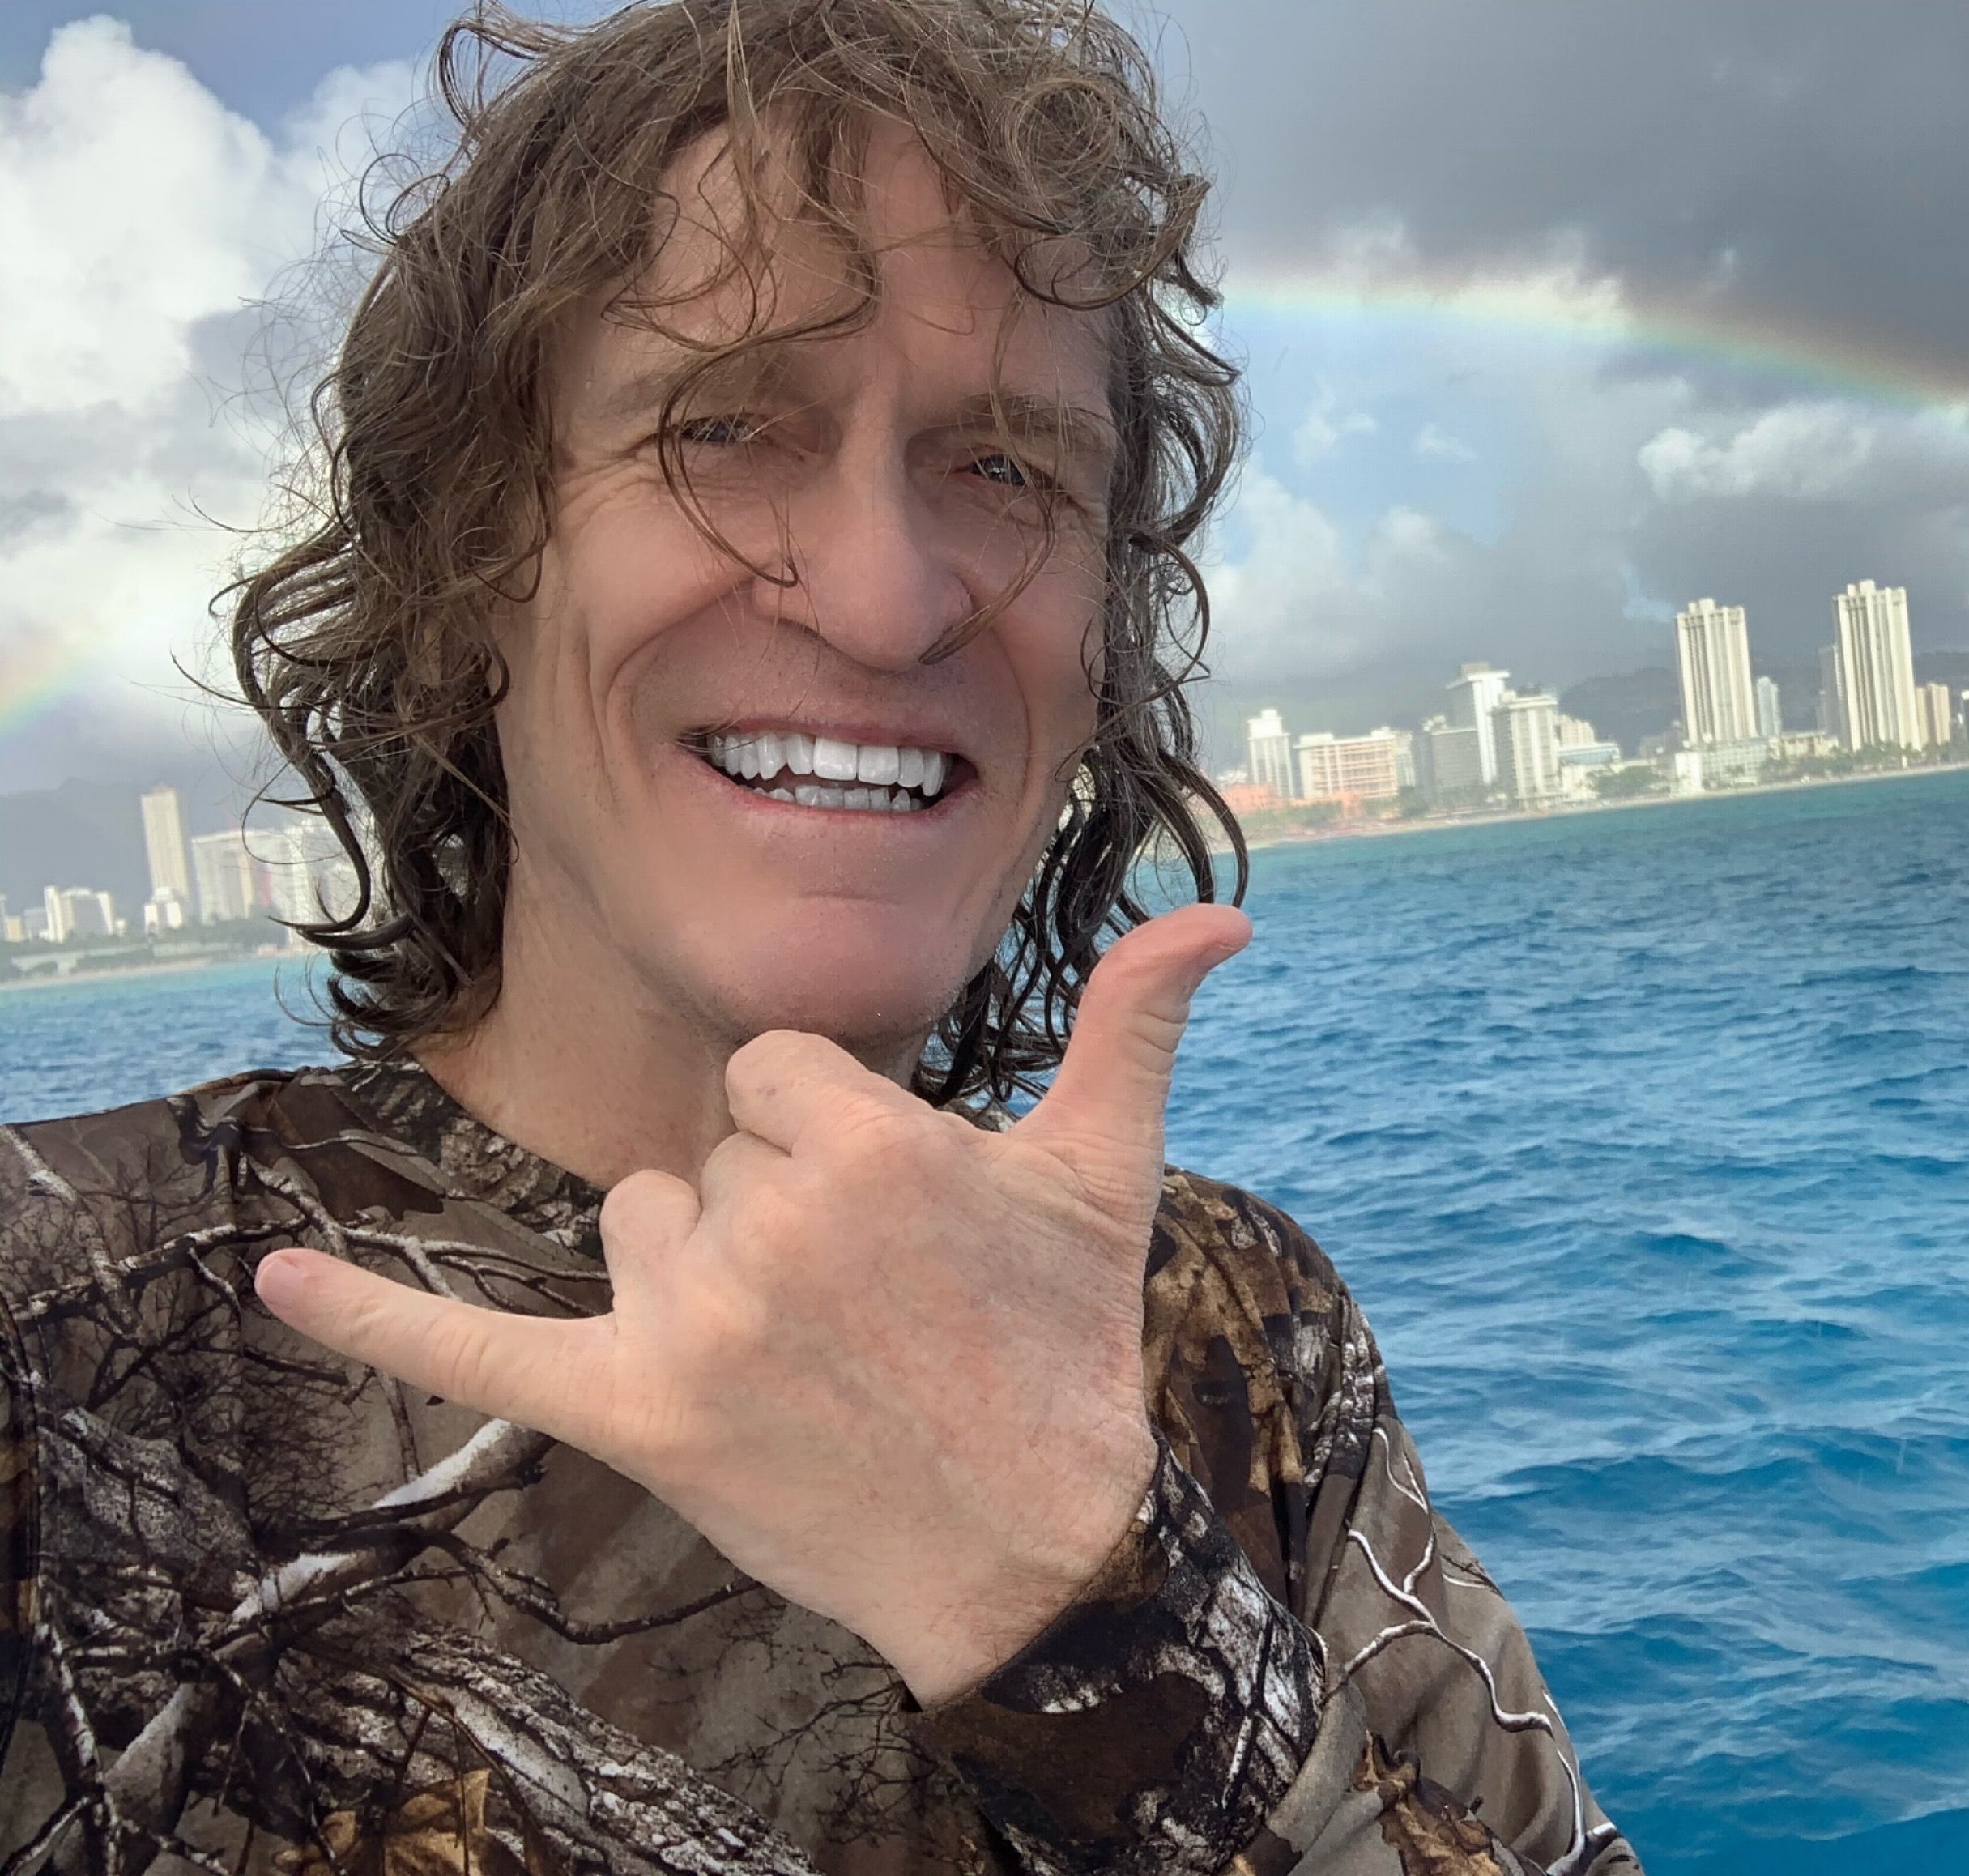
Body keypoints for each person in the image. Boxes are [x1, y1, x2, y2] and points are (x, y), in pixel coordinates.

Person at [0, 5, 1638, 1873]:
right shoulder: (53, 1332)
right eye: (721, 429)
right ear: (463, 575)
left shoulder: (1239, 1333)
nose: (880, 598)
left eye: (1006, 469)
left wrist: (1067, 1590)